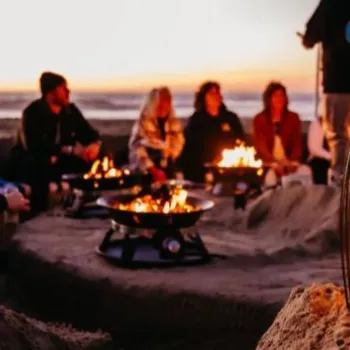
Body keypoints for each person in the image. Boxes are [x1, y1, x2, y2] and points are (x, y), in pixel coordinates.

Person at [8, 72, 102, 213]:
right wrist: (67, 150)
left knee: (95, 159)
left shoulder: (70, 111)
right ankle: (37, 210)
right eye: (63, 88)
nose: (68, 92)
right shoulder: (32, 113)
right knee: (39, 163)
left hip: (60, 161)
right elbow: (33, 146)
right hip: (33, 161)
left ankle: (85, 199)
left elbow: (89, 134)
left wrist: (95, 145)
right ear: (51, 92)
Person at [301, 0, 350, 184]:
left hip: (337, 82)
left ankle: (340, 180)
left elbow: (310, 37)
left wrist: (307, 40)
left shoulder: (330, 4)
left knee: (337, 134)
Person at [179, 81, 245, 183]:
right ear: (203, 97)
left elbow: (241, 140)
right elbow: (190, 149)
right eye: (212, 93)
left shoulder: (231, 118)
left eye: (218, 93)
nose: (216, 96)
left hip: (229, 168)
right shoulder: (196, 120)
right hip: (202, 170)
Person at [253, 82, 311, 187]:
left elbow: (297, 144)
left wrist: (292, 162)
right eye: (276, 96)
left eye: (282, 95)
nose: (280, 99)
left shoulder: (293, 118)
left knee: (306, 172)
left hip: (289, 162)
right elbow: (261, 146)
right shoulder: (260, 119)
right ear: (269, 99)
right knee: (270, 180)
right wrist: (274, 163)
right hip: (269, 163)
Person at [128, 87, 184, 182]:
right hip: (147, 175)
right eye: (161, 101)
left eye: (167, 101)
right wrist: (152, 169)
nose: (164, 105)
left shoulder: (173, 125)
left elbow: (177, 148)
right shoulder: (143, 124)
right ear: (153, 103)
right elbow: (136, 150)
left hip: (168, 173)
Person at [307, 117, 331, 184]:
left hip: (342, 162)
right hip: (322, 162)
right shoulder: (318, 122)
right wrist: (333, 157)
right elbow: (314, 149)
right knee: (319, 163)